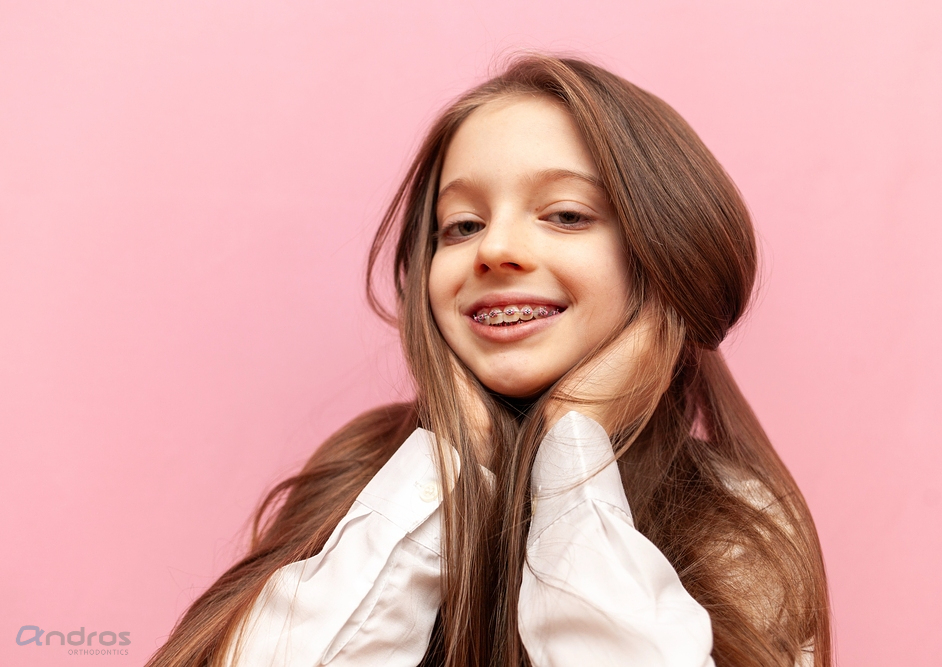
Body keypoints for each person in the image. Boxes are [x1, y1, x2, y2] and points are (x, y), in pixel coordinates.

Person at [147, 53, 831, 667]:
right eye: (462, 225)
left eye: (565, 214)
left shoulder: (738, 522)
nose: (493, 249)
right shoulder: (359, 474)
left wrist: (575, 458)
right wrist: (448, 466)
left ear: (664, 257)